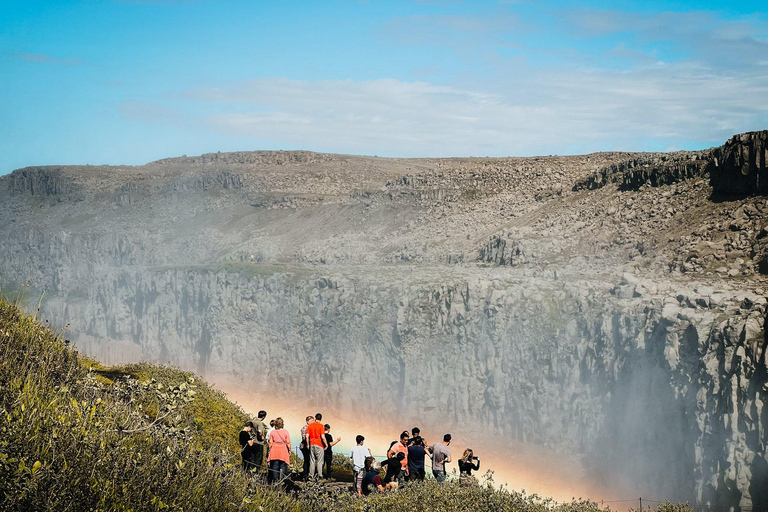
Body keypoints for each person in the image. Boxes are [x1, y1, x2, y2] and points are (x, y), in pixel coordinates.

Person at [266, 417, 291, 484]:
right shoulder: (286, 432)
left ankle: (275, 480)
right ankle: (282, 480)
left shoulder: (273, 432)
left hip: (274, 450)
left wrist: (269, 450)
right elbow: (288, 442)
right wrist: (289, 450)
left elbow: (270, 443)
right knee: (283, 465)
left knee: (274, 465)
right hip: (283, 450)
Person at [306, 412, 328, 479]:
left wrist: (308, 444)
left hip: (312, 444)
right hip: (319, 444)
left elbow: (307, 436)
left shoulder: (310, 425)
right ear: (321, 419)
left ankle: (311, 475)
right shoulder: (321, 426)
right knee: (319, 461)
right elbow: (323, 437)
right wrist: (326, 445)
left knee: (312, 460)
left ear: (315, 418)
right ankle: (320, 475)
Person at [299, 415, 314, 480]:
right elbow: (304, 437)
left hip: (309, 445)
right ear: (308, 421)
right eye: (312, 421)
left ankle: (307, 473)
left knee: (309, 460)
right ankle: (305, 474)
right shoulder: (305, 428)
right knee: (307, 460)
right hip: (305, 446)